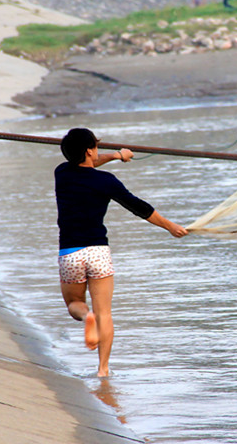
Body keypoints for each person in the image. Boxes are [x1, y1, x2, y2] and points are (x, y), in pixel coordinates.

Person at [55, 128, 188, 377]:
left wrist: (117, 155)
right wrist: (170, 226)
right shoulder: (106, 182)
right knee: (105, 312)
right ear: (89, 150)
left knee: (75, 304)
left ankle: (87, 319)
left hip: (70, 252)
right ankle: (103, 370)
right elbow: (138, 207)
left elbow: (88, 162)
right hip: (98, 252)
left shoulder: (61, 173)